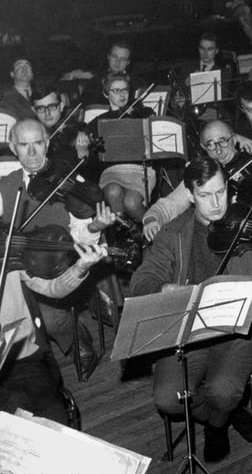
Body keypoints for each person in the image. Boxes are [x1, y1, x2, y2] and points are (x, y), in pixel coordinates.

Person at [130, 158, 252, 462]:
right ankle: (220, 415)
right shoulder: (175, 232)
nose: (217, 203)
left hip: (243, 329)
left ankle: (216, 424)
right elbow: (142, 279)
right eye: (205, 196)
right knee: (168, 400)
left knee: (223, 390)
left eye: (221, 192)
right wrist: (163, 289)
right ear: (190, 195)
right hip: (188, 328)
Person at [3, 119, 117, 380]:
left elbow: (80, 238)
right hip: (16, 268)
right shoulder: (5, 184)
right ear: (13, 147)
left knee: (51, 320)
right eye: (24, 145)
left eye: (38, 143)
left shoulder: (69, 181)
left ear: (47, 143)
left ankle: (76, 334)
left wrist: (94, 227)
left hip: (57, 264)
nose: (32, 153)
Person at [0, 242, 109, 424]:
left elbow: (53, 288)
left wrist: (79, 268)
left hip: (21, 359)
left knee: (53, 416)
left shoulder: (6, 251)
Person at [141, 120, 252, 241]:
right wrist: (153, 218)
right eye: (210, 145)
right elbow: (172, 203)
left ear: (234, 139)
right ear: (202, 146)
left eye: (223, 141)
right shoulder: (202, 172)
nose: (219, 150)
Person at [92, 72, 156, 221]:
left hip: (140, 169)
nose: (122, 94)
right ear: (106, 93)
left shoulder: (142, 113)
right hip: (112, 171)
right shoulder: (99, 122)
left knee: (132, 202)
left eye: (125, 90)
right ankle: (123, 230)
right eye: (116, 90)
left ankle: (148, 233)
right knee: (113, 192)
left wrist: (148, 120)